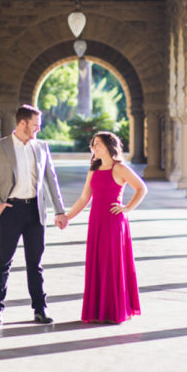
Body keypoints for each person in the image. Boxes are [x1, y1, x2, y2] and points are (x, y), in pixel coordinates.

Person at [0, 104, 68, 324]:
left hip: (35, 211)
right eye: (35, 126)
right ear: (22, 123)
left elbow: (51, 180)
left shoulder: (41, 147)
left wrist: (59, 211)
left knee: (35, 263)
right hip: (11, 210)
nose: (38, 129)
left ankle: (40, 309)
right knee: (3, 262)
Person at [65, 130, 147, 324]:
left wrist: (127, 208)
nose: (94, 148)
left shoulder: (120, 168)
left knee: (112, 264)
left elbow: (141, 188)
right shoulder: (93, 169)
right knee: (98, 264)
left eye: (98, 144)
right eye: (93, 144)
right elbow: (85, 198)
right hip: (96, 222)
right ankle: (98, 311)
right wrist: (67, 217)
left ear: (109, 146)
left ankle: (114, 310)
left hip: (113, 222)